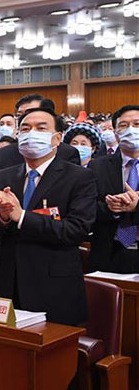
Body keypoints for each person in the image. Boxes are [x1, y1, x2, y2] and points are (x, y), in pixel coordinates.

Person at [0, 107, 95, 325]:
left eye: (41, 128)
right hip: (8, 282)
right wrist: (3, 217)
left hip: (54, 286)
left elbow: (75, 230)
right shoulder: (4, 176)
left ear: (57, 138)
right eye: (25, 128)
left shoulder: (79, 177)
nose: (32, 133)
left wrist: (22, 216)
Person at [89, 105, 139, 273]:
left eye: (137, 124)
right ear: (116, 133)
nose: (131, 130)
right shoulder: (98, 166)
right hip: (109, 251)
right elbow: (85, 207)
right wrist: (112, 209)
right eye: (124, 125)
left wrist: (136, 207)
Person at [0, 95, 80, 173]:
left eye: (31, 113)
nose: (25, 118)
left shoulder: (68, 153)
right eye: (19, 115)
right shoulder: (4, 154)